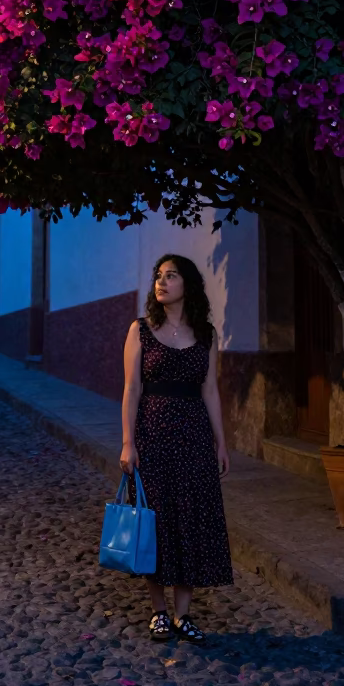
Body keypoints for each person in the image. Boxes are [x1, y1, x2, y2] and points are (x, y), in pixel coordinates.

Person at [120, 254, 233, 646]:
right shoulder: (140, 330)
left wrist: (221, 441)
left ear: (188, 285)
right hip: (152, 437)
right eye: (158, 275)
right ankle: (159, 613)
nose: (161, 282)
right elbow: (132, 390)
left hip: (194, 439)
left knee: (190, 521)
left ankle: (183, 616)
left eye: (171, 276)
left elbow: (210, 391)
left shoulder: (206, 335)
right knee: (155, 523)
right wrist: (128, 443)